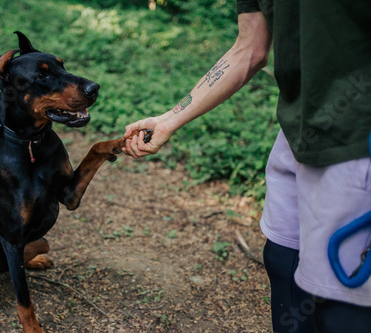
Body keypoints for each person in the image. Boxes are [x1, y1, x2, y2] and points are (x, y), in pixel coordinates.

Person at [122, 1, 371, 332]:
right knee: (283, 262)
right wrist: (169, 119)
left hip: (357, 139)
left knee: (342, 305)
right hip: (298, 132)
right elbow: (249, 48)